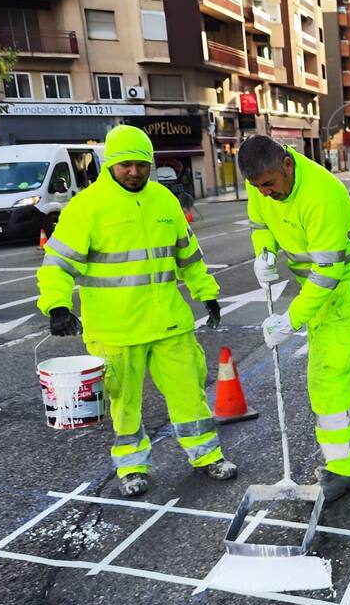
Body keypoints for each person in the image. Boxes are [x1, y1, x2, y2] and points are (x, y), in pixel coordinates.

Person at [37, 125, 233, 497]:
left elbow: (188, 256)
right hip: (116, 329)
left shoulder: (164, 201)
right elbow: (57, 264)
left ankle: (207, 455)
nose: (134, 172)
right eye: (126, 164)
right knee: (124, 406)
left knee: (189, 394)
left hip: (168, 323)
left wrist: (207, 293)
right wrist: (57, 305)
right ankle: (131, 466)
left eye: (142, 164)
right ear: (110, 164)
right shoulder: (87, 207)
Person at [240, 135, 350, 503]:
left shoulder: (322, 195)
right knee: (341, 375)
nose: (264, 193)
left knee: (326, 377)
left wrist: (291, 321)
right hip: (317, 289)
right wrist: (264, 254)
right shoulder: (261, 183)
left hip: (346, 287)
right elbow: (260, 225)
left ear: (287, 164)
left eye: (269, 184)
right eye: (257, 187)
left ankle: (342, 469)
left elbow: (327, 275)